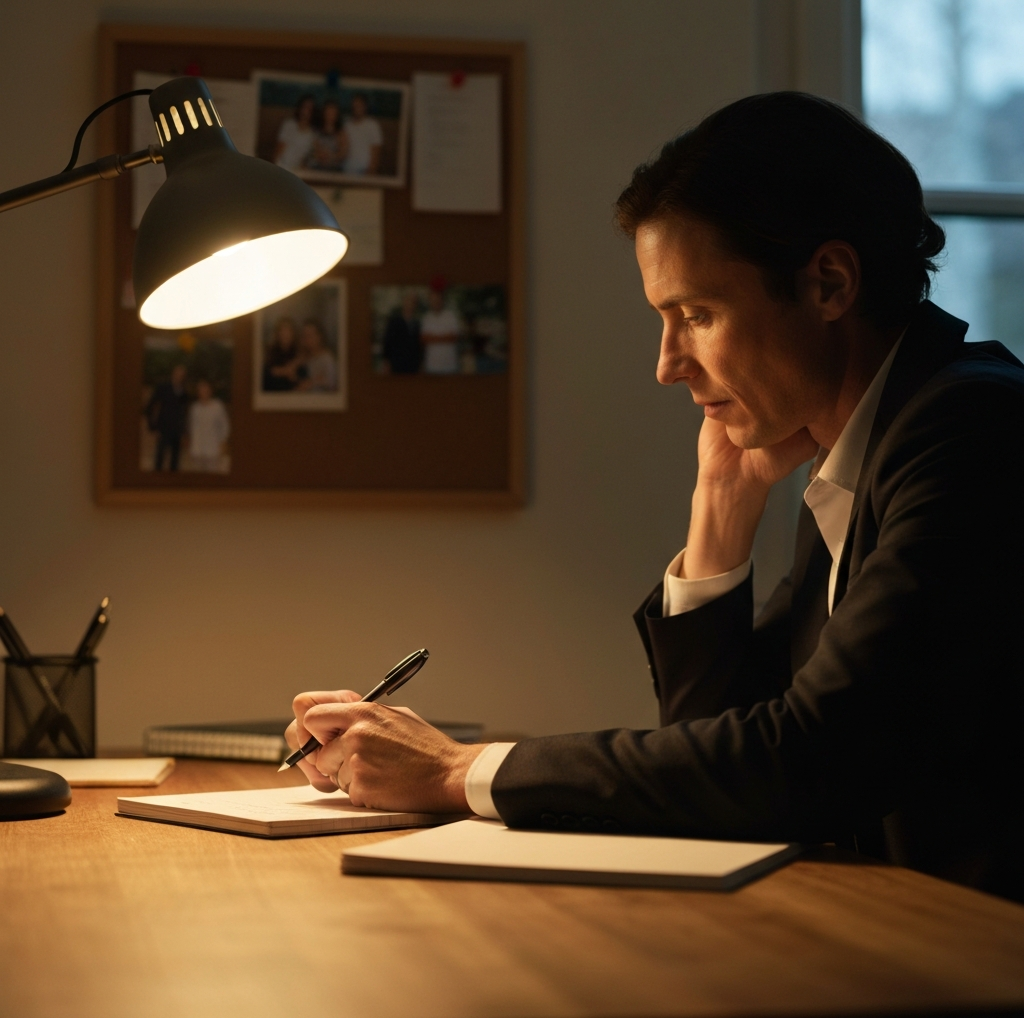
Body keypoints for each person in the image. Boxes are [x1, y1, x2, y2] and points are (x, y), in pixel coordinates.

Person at [283, 93, 1024, 902]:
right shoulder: (866, 442)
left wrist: (460, 769)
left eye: (697, 314)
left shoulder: (970, 429)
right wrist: (720, 509)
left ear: (830, 282)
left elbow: (810, 760)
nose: (668, 364)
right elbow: (727, 767)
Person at [145, 363, 190, 471]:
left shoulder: (184, 393)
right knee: (159, 461)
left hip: (177, 433)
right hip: (163, 431)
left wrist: (184, 433)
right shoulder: (163, 388)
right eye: (177, 374)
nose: (179, 377)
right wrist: (153, 428)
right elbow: (149, 408)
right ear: (173, 374)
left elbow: (184, 414)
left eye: (182, 375)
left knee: (175, 463)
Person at [187, 379, 230, 473]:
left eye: (206, 390)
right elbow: (191, 428)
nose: (203, 392)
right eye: (201, 390)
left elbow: (225, 426)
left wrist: (223, 443)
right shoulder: (195, 408)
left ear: (210, 391)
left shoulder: (218, 406)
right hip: (197, 451)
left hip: (213, 451)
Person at [420, 283, 461, 374]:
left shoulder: (451, 316)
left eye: (438, 299)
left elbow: (454, 337)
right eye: (433, 299)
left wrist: (433, 338)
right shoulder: (427, 318)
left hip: (450, 366)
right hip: (432, 366)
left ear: (442, 300)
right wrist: (444, 337)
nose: (436, 302)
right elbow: (424, 339)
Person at [381, 292, 423, 374]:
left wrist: (420, 363)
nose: (410, 305)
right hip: (397, 363)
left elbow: (419, 345)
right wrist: (386, 362)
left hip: (413, 365)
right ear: (404, 303)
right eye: (408, 301)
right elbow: (387, 341)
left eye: (413, 302)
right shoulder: (394, 322)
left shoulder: (417, 324)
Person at [341, 93, 382, 176]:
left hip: (364, 173)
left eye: (359, 105)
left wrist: (371, 171)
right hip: (347, 171)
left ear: (365, 107)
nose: (356, 108)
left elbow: (376, 152)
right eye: (354, 105)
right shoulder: (346, 124)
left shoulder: (372, 125)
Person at [274, 94, 316, 171]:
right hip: (282, 167)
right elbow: (279, 148)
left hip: (298, 172)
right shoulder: (289, 125)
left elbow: (309, 156)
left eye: (309, 109)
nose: (306, 111)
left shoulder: (312, 134)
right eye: (304, 107)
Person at [295, 319, 338, 392]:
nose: (307, 339)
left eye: (310, 335)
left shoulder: (327, 359)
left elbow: (332, 383)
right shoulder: (305, 358)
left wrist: (312, 383)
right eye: (304, 336)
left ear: (319, 337)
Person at [262, 317, 302, 392]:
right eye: (282, 330)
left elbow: (300, 381)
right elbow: (267, 373)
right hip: (271, 395)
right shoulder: (271, 353)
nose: (285, 334)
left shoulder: (298, 354)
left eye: (288, 331)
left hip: (292, 397)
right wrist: (284, 371)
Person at [307, 98, 346, 172]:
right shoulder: (316, 131)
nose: (330, 115)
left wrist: (331, 156)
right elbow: (314, 148)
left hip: (334, 170)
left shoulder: (341, 133)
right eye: (328, 112)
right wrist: (320, 155)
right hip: (316, 167)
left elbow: (343, 153)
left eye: (333, 112)